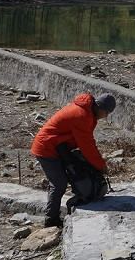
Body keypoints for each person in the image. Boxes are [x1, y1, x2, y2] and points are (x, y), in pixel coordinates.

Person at [30, 92, 115, 228]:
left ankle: (54, 215)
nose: (106, 116)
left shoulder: (86, 111)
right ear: (101, 108)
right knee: (59, 184)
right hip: (46, 148)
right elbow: (87, 146)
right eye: (107, 113)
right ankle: (51, 220)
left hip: (55, 147)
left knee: (65, 179)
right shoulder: (82, 115)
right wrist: (101, 166)